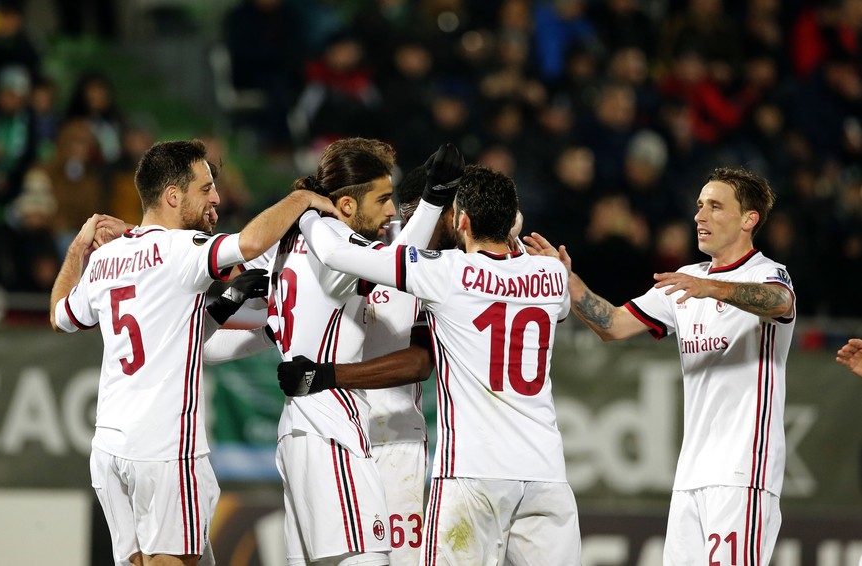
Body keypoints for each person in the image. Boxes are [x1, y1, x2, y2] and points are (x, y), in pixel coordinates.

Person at [49, 139, 336, 566]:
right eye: (205, 188)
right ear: (172, 196)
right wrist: (302, 198)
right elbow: (254, 242)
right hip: (166, 449)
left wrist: (78, 250)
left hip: (111, 448)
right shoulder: (182, 251)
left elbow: (59, 314)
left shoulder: (108, 259)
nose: (216, 197)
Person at [294, 164, 582, 565]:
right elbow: (562, 308)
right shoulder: (551, 275)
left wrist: (306, 210)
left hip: (473, 472)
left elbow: (335, 254)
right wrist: (552, 268)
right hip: (547, 474)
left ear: (460, 220)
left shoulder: (447, 273)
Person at [528, 166, 795, 565]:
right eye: (699, 206)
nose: (699, 216)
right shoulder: (686, 279)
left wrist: (713, 287)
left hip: (744, 472)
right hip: (692, 475)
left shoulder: (767, 273)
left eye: (715, 207)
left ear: (748, 219)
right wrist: (569, 280)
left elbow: (779, 303)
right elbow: (613, 324)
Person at [260, 138, 463, 566]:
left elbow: (384, 263)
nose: (391, 212)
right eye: (383, 200)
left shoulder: (289, 244)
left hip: (299, 430)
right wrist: (432, 201)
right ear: (347, 206)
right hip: (331, 429)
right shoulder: (329, 236)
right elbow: (391, 265)